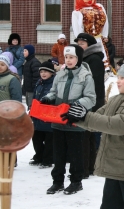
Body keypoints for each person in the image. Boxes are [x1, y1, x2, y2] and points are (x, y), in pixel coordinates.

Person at [61, 62, 124, 208]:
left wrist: (86, 117)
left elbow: (119, 125)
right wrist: (77, 118)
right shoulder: (116, 99)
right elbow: (97, 119)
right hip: (114, 163)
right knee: (109, 205)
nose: (117, 81)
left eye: (122, 78)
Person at [41, 45, 96, 195]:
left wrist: (76, 105)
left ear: (78, 58)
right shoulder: (60, 74)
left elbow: (91, 99)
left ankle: (76, 182)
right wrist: (48, 99)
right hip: (58, 121)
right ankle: (57, 182)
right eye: (66, 57)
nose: (68, 60)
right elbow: (53, 92)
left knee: (75, 154)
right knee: (58, 153)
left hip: (75, 121)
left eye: (72, 57)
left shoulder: (86, 76)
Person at [75, 33, 105, 179]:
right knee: (88, 136)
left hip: (91, 101)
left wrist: (91, 103)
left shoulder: (93, 59)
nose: (79, 46)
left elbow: (94, 84)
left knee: (87, 136)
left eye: (82, 44)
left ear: (90, 45)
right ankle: (89, 166)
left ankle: (86, 167)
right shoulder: (84, 59)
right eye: (78, 43)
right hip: (87, 100)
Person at [30, 61, 56, 168]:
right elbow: (34, 98)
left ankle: (47, 160)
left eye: (46, 72)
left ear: (51, 73)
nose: (43, 74)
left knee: (49, 140)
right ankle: (38, 156)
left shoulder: (54, 84)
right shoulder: (39, 82)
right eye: (41, 71)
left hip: (49, 116)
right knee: (36, 138)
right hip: (37, 116)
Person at [22, 45, 41, 110]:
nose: (23, 52)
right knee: (29, 105)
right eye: (23, 51)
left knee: (32, 107)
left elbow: (37, 77)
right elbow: (26, 77)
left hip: (32, 90)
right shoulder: (27, 62)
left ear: (30, 52)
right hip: (28, 89)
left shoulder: (34, 62)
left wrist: (34, 88)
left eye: (25, 51)